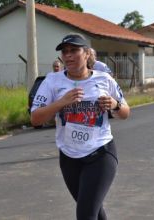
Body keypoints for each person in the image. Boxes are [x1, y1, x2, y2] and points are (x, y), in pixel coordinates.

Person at [31, 33, 130, 220]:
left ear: (86, 54)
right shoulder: (52, 81)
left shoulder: (104, 79)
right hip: (69, 157)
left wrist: (115, 105)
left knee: (86, 214)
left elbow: (125, 112)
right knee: (93, 210)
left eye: (74, 51)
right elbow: (35, 119)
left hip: (101, 153)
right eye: (65, 52)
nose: (68, 56)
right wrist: (60, 103)